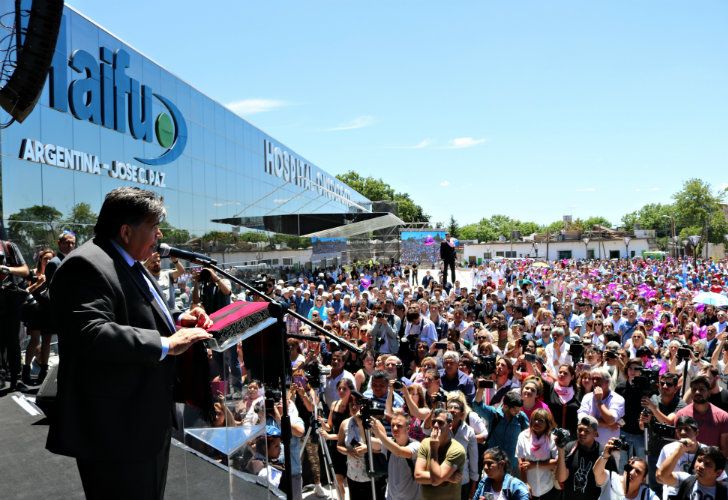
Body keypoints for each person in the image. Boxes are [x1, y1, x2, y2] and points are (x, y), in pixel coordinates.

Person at [46, 187, 214, 500]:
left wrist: (180, 323)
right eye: (153, 226)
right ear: (126, 231)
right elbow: (92, 332)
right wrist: (165, 343)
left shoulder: (128, 261)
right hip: (116, 432)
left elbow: (138, 317)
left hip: (145, 423)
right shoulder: (85, 265)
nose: (160, 234)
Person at [638, 371, 686, 497]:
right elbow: (642, 427)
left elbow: (670, 422)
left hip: (671, 454)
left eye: (669, 384)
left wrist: (653, 408)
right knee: (654, 487)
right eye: (662, 383)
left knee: (670, 488)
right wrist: (644, 421)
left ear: (676, 388)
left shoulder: (680, 404)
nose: (664, 386)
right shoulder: (653, 399)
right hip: (653, 450)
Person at [336, 394, 385, 500]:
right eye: (351, 405)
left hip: (373, 476)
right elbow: (339, 445)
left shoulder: (374, 423)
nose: (354, 407)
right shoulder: (345, 424)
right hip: (353, 476)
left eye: (357, 404)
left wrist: (368, 448)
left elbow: (383, 446)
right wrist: (348, 451)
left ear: (363, 406)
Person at [556, 415, 618, 500]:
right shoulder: (569, 448)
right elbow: (561, 478)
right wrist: (560, 450)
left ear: (595, 434)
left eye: (587, 431)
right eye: (580, 430)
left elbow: (612, 484)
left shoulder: (604, 454)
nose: (582, 433)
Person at [414, 408, 466, 500]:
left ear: (450, 425)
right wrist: (447, 478)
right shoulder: (425, 443)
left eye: (440, 423)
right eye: (433, 422)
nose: (435, 425)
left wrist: (434, 449)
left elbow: (436, 480)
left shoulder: (457, 450)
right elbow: (418, 476)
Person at [21, 248, 55, 385]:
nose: (48, 261)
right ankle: (26, 370)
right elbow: (25, 291)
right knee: (34, 341)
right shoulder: (34, 273)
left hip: (49, 310)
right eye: (46, 258)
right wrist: (38, 283)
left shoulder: (54, 273)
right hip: (35, 310)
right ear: (40, 259)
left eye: (51, 258)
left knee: (47, 341)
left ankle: (43, 371)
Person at [370, 412, 421, 500]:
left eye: (399, 426)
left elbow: (399, 451)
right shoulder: (388, 442)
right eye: (392, 425)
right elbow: (370, 441)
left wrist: (379, 433)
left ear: (408, 428)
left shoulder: (416, 445)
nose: (395, 428)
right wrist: (361, 423)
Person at [675, 375, 728, 454]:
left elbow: (724, 449)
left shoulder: (723, 416)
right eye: (694, 389)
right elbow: (677, 444)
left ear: (709, 392)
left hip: (710, 464)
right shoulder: (681, 415)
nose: (697, 392)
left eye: (701, 389)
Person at [515, 407, 559, 499]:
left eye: (541, 420)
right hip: (529, 487)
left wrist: (534, 464)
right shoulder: (523, 436)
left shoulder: (552, 438)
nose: (536, 423)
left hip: (547, 487)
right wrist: (525, 484)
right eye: (534, 419)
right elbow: (521, 462)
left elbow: (556, 463)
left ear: (547, 423)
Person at [593, 439, 659, 499]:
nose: (631, 472)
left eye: (638, 471)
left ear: (643, 479)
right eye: (630, 468)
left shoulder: (647, 495)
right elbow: (597, 473)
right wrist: (605, 455)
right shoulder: (611, 479)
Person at [656, 444, 727, 500]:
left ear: (718, 473)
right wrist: (680, 450)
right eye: (699, 460)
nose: (700, 466)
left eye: (707, 464)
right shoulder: (686, 480)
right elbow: (661, 476)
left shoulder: (724, 493)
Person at [578, 366, 626, 449]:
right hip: (588, 445)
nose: (595, 382)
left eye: (598, 379)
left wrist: (599, 402)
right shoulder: (587, 397)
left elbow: (610, 420)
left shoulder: (618, 399)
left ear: (607, 382)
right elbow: (582, 419)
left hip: (609, 447)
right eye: (593, 379)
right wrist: (606, 425)